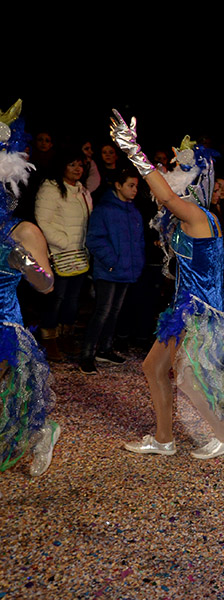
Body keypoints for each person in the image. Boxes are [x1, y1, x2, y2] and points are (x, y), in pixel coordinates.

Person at [110, 110, 224, 460]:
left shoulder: (198, 215)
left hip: (197, 309)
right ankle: (164, 438)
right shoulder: (196, 216)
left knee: (185, 377)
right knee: (154, 368)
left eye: (179, 169)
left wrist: (134, 153)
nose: (171, 173)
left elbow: (167, 198)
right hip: (188, 306)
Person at [0, 99, 59, 477]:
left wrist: (22, 261)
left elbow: (47, 286)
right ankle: (37, 432)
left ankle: (42, 432)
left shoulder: (23, 231)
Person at [80, 167, 145, 373]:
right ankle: (87, 354)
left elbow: (139, 241)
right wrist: (112, 261)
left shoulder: (133, 210)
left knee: (114, 312)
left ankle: (105, 349)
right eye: (130, 185)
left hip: (126, 269)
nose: (134, 190)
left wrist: (137, 261)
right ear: (118, 185)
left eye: (136, 186)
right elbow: (94, 239)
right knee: (102, 311)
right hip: (109, 270)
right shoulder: (105, 209)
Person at [34, 147, 93, 360]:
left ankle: (66, 336)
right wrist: (64, 243)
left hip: (79, 253)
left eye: (80, 164)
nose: (78, 169)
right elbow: (43, 222)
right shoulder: (50, 188)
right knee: (56, 298)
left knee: (73, 299)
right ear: (62, 166)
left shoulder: (82, 190)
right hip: (59, 254)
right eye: (72, 164)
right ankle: (49, 339)